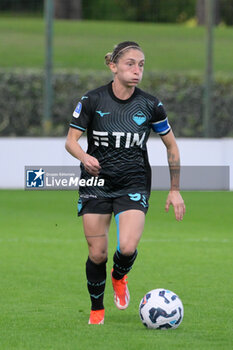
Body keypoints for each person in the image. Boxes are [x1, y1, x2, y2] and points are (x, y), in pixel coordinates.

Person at [65, 41, 185, 325]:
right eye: (130, 63)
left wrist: (175, 189)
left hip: (134, 182)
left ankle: (119, 276)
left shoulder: (150, 104)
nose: (136, 70)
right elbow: (71, 141)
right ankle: (97, 309)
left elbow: (172, 147)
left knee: (127, 247)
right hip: (96, 184)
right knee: (97, 253)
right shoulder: (92, 100)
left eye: (141, 65)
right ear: (113, 66)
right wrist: (84, 157)